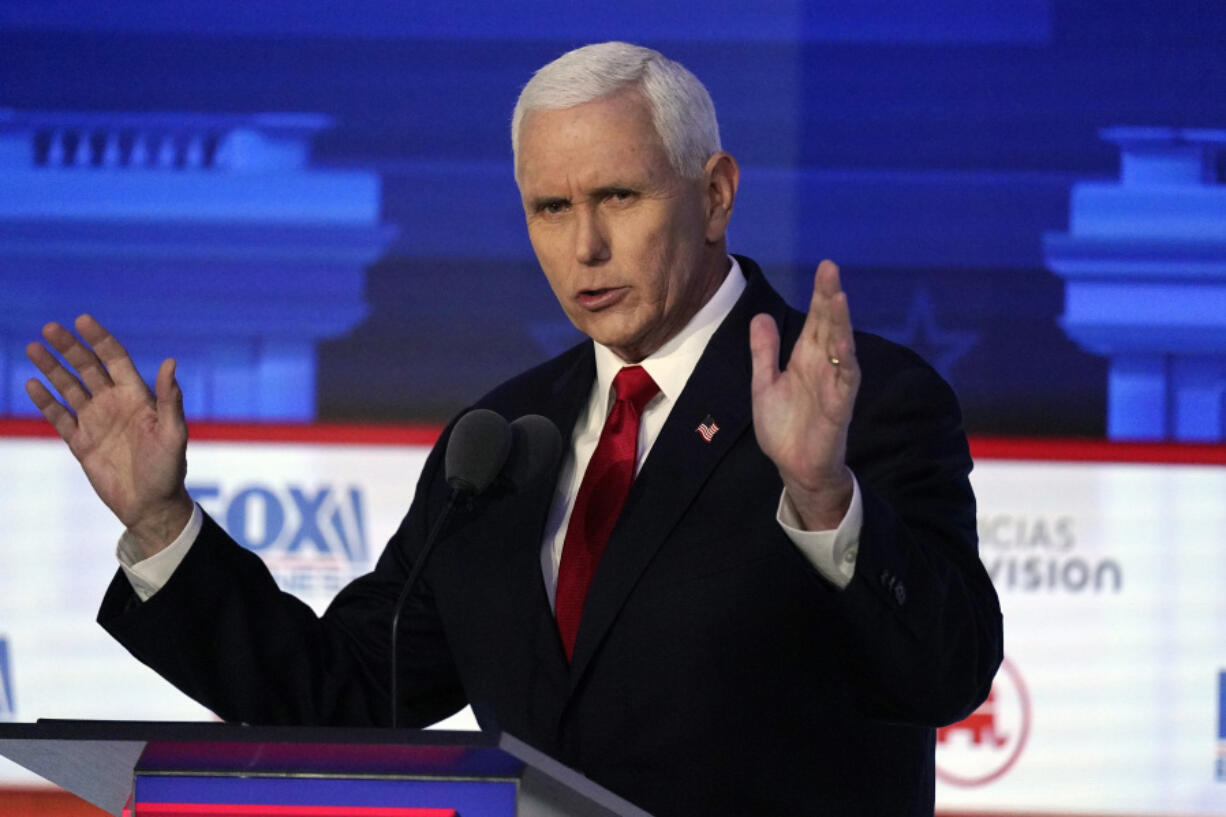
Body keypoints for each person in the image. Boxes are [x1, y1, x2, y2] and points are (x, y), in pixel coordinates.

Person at [25, 42, 1002, 816]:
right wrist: (161, 527)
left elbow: (945, 672)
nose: (582, 246)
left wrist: (824, 499)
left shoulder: (856, 399)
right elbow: (358, 697)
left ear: (713, 194)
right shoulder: (496, 442)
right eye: (549, 207)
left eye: (617, 196)